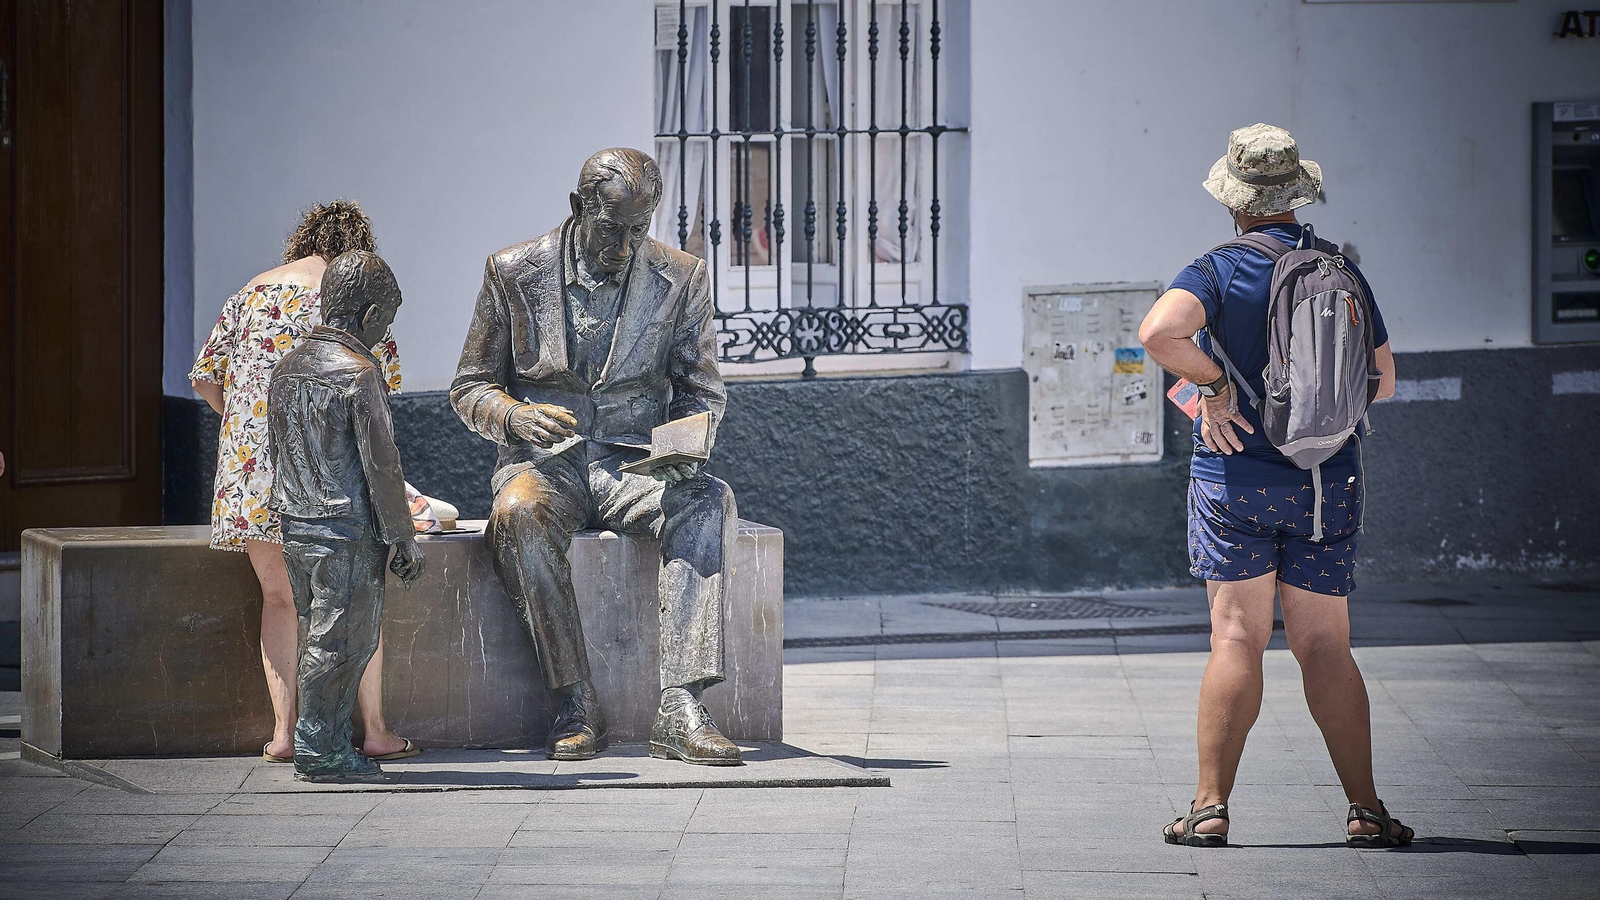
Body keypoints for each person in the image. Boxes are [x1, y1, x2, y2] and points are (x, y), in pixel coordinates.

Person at [1138, 124, 1411, 848]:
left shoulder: (1217, 270)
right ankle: (1367, 810)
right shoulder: (1341, 271)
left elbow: (1158, 334)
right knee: (1325, 645)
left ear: (1234, 199)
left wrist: (1217, 384)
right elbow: (1383, 384)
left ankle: (1208, 807)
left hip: (1238, 480)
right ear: (1296, 195)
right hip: (1328, 483)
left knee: (1236, 636)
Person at [451, 148, 741, 765]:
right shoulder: (512, 271)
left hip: (633, 464)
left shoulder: (682, 276)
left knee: (708, 499)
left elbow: (701, 390)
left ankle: (681, 704)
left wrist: (690, 440)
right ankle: (575, 701)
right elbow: (469, 386)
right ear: (580, 208)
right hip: (544, 462)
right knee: (520, 514)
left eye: (639, 229)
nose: (625, 244)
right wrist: (514, 416)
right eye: (612, 227)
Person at [189, 200, 419, 763]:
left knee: (279, 599)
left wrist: (244, 426)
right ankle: (376, 731)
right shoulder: (351, 301)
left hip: (251, 470)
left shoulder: (252, 292)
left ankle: (285, 735)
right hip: (328, 475)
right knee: (355, 600)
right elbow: (379, 388)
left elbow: (203, 378)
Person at [268, 251, 425, 782]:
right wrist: (401, 536)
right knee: (345, 642)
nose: (385, 333)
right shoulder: (359, 375)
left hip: (297, 524)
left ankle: (326, 742)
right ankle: (321, 750)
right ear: (368, 313)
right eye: (386, 320)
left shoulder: (286, 368)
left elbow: (280, 452)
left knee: (320, 633)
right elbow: (382, 466)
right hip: (347, 531)